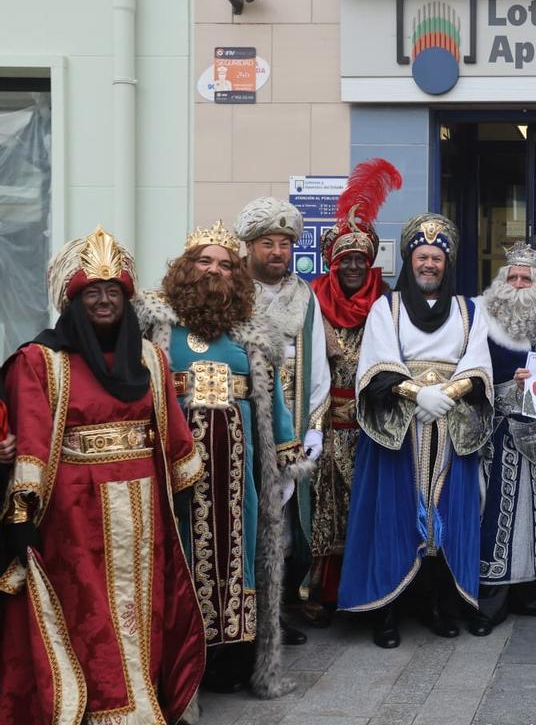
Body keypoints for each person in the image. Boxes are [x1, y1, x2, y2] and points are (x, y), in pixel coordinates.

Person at [0, 227, 205, 722]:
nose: (104, 300)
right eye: (93, 292)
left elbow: (172, 433)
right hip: (73, 514)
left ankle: (143, 702)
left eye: (113, 291)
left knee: (145, 609)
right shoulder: (40, 361)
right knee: (85, 613)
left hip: (146, 511)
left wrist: (181, 495)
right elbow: (31, 439)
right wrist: (23, 515)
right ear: (73, 301)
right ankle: (95, 709)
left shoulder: (151, 359)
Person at [138, 220, 304, 698]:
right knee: (182, 554)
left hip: (239, 470)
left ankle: (231, 659)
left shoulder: (251, 333)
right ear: (186, 268)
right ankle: (183, 660)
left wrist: (287, 454)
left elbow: (272, 398)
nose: (215, 270)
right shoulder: (158, 326)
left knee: (241, 554)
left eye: (226, 265)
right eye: (205, 261)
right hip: (176, 467)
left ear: (237, 274)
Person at [339, 213, 493, 648]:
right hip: (399, 429)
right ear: (410, 261)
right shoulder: (385, 307)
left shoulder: (469, 310)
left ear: (447, 263)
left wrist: (449, 393)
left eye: (437, 258)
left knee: (448, 519)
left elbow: (478, 365)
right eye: (422, 257)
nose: (429, 264)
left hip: (451, 424)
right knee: (394, 516)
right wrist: (417, 395)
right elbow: (377, 364)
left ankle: (441, 606)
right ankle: (386, 611)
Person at [303, 159, 398, 628]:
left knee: (371, 509)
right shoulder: (312, 301)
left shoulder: (388, 301)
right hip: (327, 424)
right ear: (333, 263)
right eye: (347, 260)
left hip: (374, 426)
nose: (355, 266)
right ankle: (322, 591)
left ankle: (374, 591)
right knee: (326, 509)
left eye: (362, 259)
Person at [236, 196, 331, 646]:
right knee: (247, 522)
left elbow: (318, 366)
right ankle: (243, 618)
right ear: (249, 246)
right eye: (268, 243)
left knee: (285, 528)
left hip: (292, 427)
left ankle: (274, 615)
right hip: (244, 425)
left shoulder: (304, 295)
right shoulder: (232, 292)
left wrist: (314, 425)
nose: (277, 252)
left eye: (284, 244)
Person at [472, 243, 536, 637]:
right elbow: (468, 370)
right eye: (511, 276)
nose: (518, 283)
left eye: (526, 278)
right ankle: (490, 603)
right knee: (494, 512)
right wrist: (507, 387)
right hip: (496, 431)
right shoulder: (479, 316)